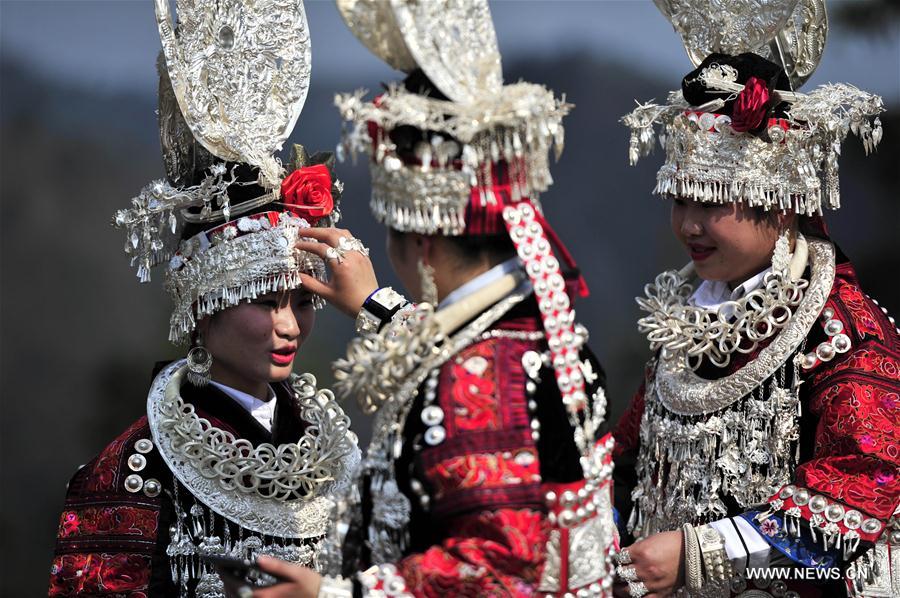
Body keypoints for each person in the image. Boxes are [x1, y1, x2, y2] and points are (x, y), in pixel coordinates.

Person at [231, 1, 618, 596]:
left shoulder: (480, 374)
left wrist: (338, 595)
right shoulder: (537, 328)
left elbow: (498, 565)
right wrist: (377, 306)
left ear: (416, 236)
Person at [48, 2, 359, 595]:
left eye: (305, 302)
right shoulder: (132, 473)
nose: (289, 326)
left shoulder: (335, 459)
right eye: (266, 302)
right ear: (206, 304)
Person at [613, 2, 899, 597]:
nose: (690, 225)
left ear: (781, 200)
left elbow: (867, 480)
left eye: (713, 201)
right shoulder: (689, 323)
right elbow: (624, 464)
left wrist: (705, 555)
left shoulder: (842, 330)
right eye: (680, 200)